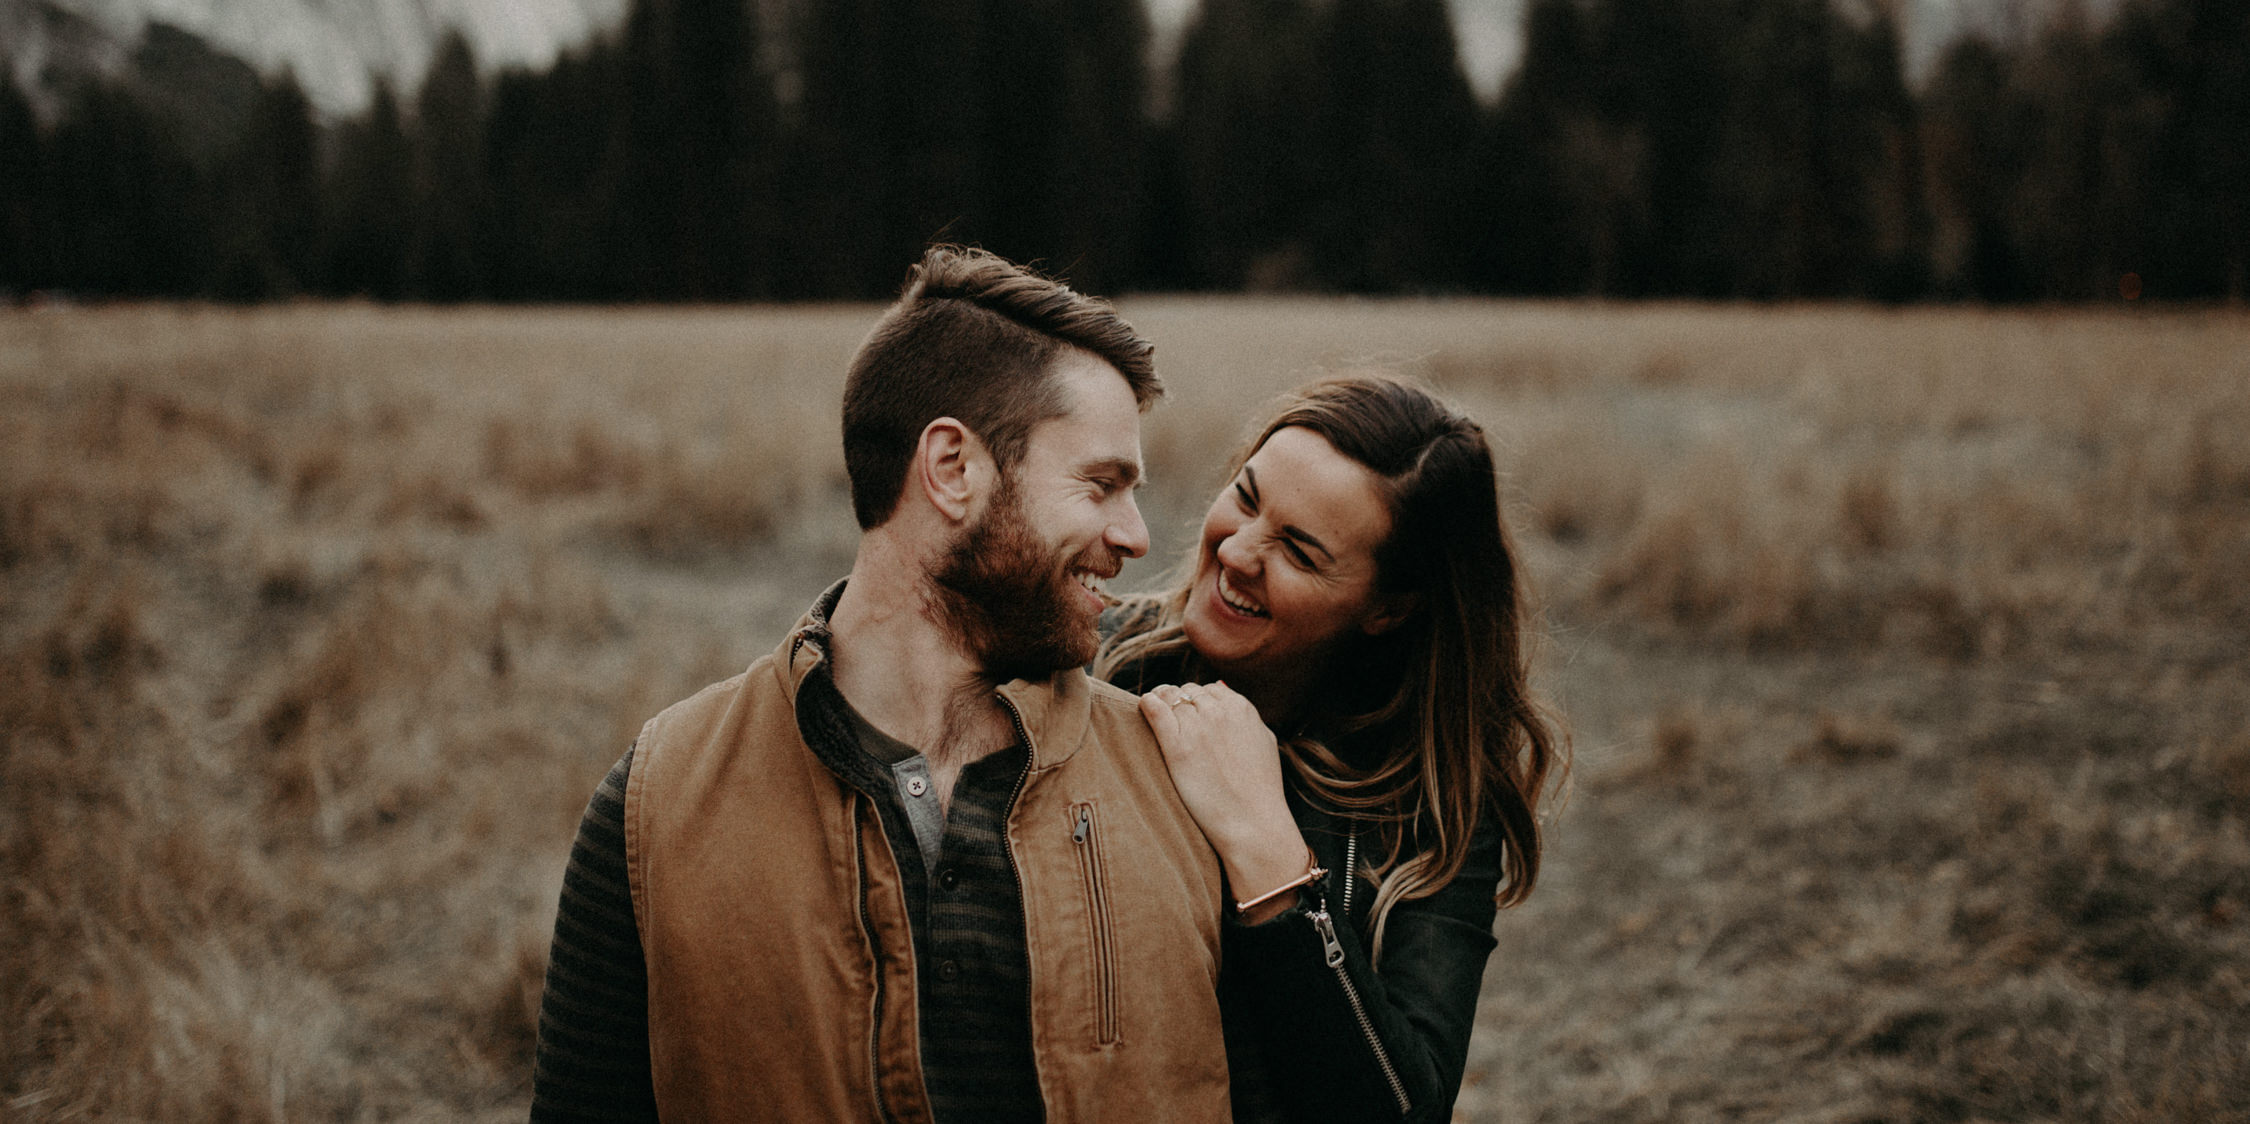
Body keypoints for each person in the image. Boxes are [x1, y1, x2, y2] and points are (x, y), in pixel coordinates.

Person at [531, 247, 1232, 1123]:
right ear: (952, 468)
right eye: (1101, 485)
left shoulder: (1187, 781)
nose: (1134, 535)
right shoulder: (657, 806)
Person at [1096, 374, 1562, 1124]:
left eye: (1301, 552)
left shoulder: (1434, 806)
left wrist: (1271, 858)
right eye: (1246, 498)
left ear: (1388, 609)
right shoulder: (1091, 666)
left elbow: (1404, 1107)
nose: (1239, 552)